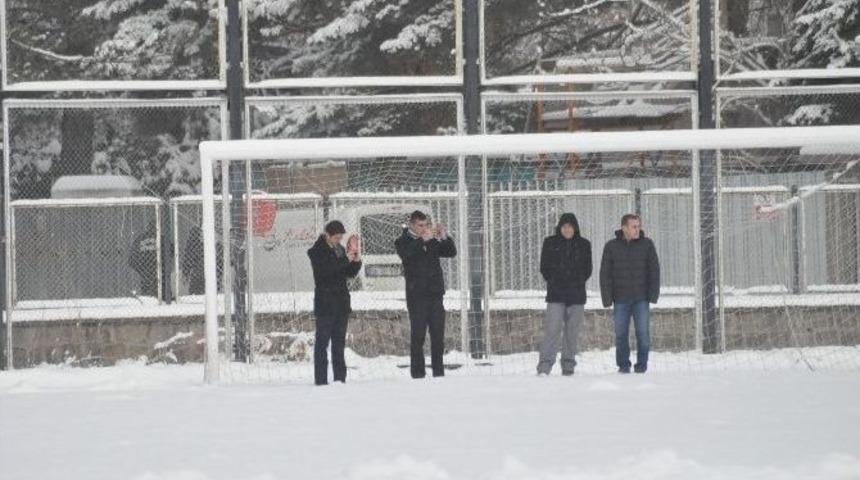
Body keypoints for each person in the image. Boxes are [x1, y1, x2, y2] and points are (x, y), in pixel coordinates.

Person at [395, 210, 456, 379]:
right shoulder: (402, 241)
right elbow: (406, 255)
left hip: (435, 295)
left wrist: (443, 236)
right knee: (418, 337)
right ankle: (418, 374)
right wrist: (422, 239)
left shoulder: (431, 240)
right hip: (417, 297)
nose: (424, 228)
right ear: (412, 225)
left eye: (425, 225)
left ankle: (438, 373)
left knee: (438, 338)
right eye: (420, 225)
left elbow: (451, 252)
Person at [599, 214, 660, 374]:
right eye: (634, 226)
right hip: (620, 299)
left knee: (643, 334)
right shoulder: (611, 246)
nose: (637, 229)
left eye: (638, 226)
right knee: (621, 335)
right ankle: (623, 366)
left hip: (641, 298)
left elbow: (654, 270)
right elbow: (604, 274)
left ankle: (641, 366)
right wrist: (607, 298)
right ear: (624, 228)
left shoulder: (647, 244)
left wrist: (653, 294)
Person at [307, 220, 362, 386]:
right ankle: (321, 380)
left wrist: (356, 260)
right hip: (325, 303)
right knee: (322, 343)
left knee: (339, 343)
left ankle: (340, 378)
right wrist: (345, 259)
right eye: (336, 237)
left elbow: (348, 273)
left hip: (341, 303)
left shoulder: (340, 250)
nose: (339, 241)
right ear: (327, 235)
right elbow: (326, 272)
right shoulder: (316, 251)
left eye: (341, 237)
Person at [537, 213, 592, 376]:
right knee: (552, 330)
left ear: (575, 228)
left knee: (572, 332)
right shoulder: (550, 243)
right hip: (556, 295)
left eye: (570, 226)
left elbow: (587, 269)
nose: (567, 229)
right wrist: (557, 281)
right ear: (560, 227)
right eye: (564, 226)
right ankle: (544, 366)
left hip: (576, 296)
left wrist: (574, 281)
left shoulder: (584, 244)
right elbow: (544, 267)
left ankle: (568, 365)